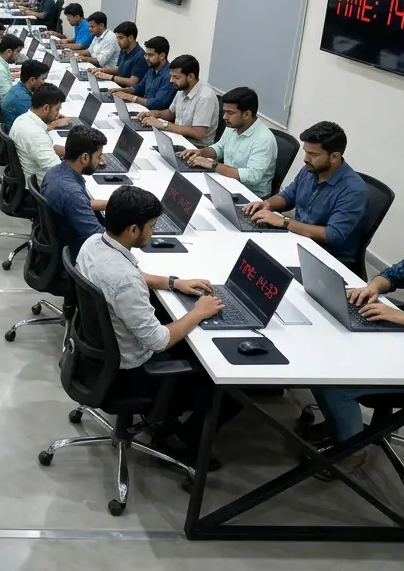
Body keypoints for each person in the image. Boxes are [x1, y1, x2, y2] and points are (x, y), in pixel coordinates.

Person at [303, 199, 404, 472]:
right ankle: (341, 428)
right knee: (323, 359)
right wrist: (373, 287)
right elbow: (393, 275)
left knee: (336, 384)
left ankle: (353, 452)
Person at [77, 184, 234, 463]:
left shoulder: (93, 244)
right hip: (130, 375)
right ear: (133, 230)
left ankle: (166, 420)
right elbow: (158, 341)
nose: (154, 231)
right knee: (226, 382)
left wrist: (173, 282)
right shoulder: (124, 280)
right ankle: (184, 443)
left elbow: (131, 276)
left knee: (174, 320)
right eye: (151, 226)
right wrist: (198, 312)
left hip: (96, 357)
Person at [242, 121, 367, 261]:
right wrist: (268, 204)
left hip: (325, 255)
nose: (306, 159)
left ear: (334, 157)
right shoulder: (311, 170)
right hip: (298, 238)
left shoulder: (353, 190)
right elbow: (288, 196)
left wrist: (284, 222)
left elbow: (332, 235)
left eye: (313, 154)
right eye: (306, 152)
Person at [180, 87, 278, 198]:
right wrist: (201, 152)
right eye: (224, 112)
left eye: (230, 113)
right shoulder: (233, 125)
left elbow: (252, 176)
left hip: (249, 196)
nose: (224, 117)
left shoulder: (264, 139)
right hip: (227, 183)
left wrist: (213, 165)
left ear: (247, 114)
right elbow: (220, 147)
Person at [44, 126, 110, 257]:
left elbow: (80, 204)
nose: (100, 161)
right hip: (77, 251)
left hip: (61, 240)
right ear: (84, 158)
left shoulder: (55, 172)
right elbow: (99, 240)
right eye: (98, 156)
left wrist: (112, 204)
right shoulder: (72, 193)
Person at [137, 55, 218, 148]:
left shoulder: (205, 97)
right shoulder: (181, 89)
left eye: (176, 77)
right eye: (171, 76)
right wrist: (155, 114)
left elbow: (198, 133)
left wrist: (164, 125)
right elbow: (171, 113)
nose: (171, 81)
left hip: (196, 147)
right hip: (178, 137)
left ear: (190, 76)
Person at [11, 84, 70, 183]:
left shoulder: (23, 119)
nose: (58, 114)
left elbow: (43, 150)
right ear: (46, 108)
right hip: (42, 185)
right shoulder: (35, 134)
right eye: (57, 109)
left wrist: (72, 152)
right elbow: (57, 171)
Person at [113, 36, 176, 111]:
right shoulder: (151, 69)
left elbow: (158, 103)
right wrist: (122, 90)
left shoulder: (169, 76)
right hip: (143, 110)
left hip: (155, 114)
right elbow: (139, 88)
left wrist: (131, 97)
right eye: (146, 54)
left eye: (150, 55)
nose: (146, 58)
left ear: (162, 55)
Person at [94, 21, 148, 88]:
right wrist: (101, 70)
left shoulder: (140, 56)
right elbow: (119, 69)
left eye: (121, 38)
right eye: (117, 38)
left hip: (127, 91)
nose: (118, 41)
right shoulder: (123, 50)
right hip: (118, 87)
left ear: (130, 38)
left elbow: (132, 82)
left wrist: (110, 77)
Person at [0, 59, 50, 125]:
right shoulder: (22, 98)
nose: (44, 83)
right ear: (32, 80)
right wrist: (55, 122)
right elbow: (38, 123)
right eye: (43, 79)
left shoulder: (18, 88)